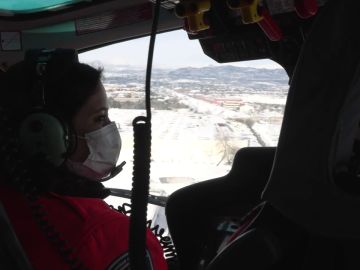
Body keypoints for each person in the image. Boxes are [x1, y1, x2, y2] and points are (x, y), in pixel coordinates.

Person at [0, 49, 167, 270]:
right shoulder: (104, 237)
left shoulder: (10, 205)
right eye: (99, 118)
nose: (109, 129)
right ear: (44, 134)